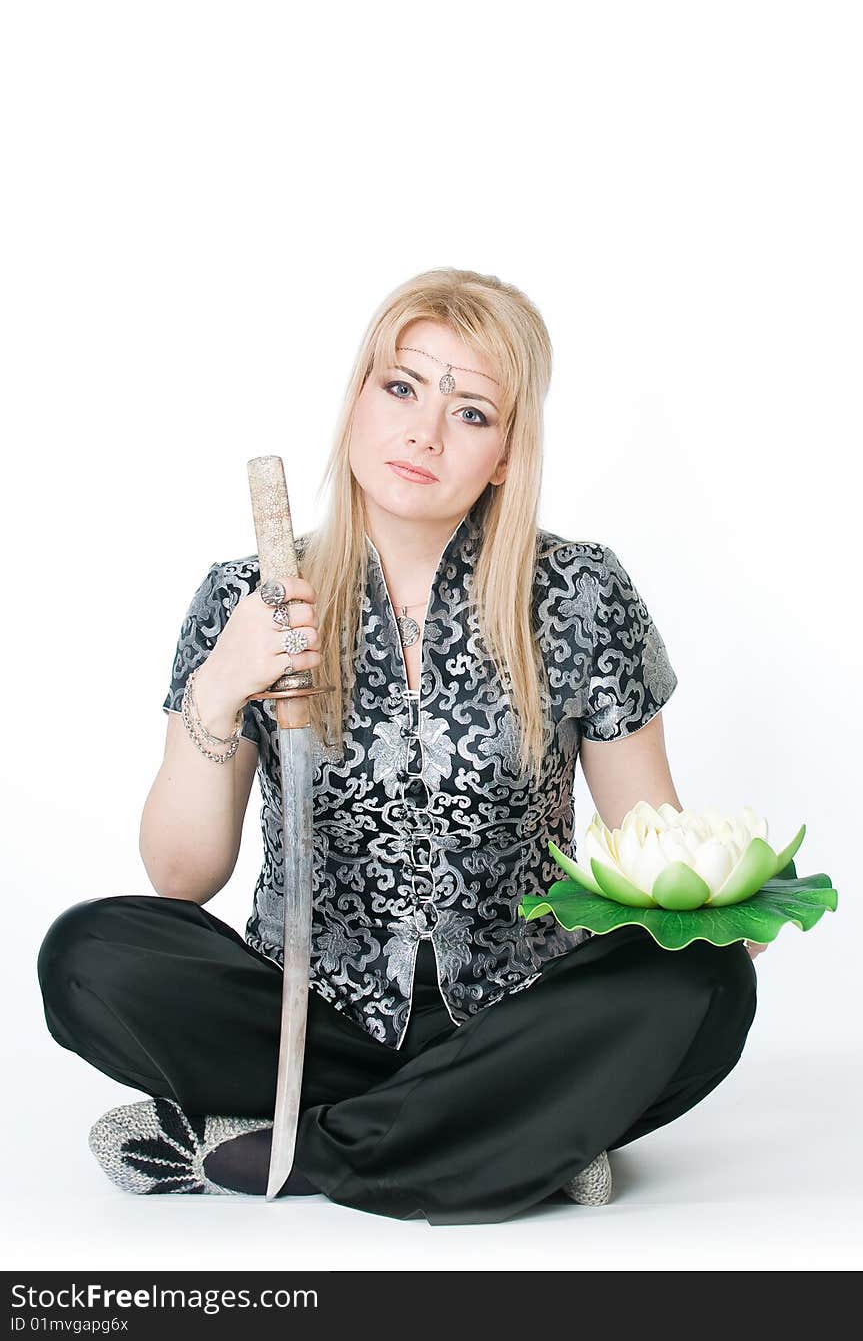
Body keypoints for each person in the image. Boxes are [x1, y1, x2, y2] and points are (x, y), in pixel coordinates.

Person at [36, 267, 760, 1226]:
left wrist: (717, 899)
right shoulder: (243, 594)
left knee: (704, 978)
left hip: (520, 1014)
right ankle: (515, 1137)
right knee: (91, 952)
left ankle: (295, 1150)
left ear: (506, 453)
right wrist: (221, 685)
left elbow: (647, 838)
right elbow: (179, 876)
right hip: (307, 1018)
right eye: (403, 387)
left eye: (471, 412)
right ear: (358, 404)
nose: (423, 431)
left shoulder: (582, 594)